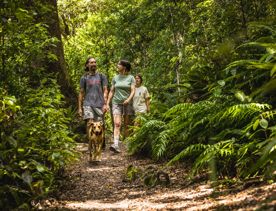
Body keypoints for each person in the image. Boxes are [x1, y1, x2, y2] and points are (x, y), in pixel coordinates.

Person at [78, 57, 108, 146]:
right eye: (91, 62)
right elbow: (81, 92)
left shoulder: (102, 76)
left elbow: (105, 90)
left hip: (99, 104)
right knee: (89, 123)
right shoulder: (84, 78)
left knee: (99, 124)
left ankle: (100, 142)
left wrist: (105, 104)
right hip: (88, 104)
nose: (94, 64)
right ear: (87, 65)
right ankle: (91, 143)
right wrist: (79, 107)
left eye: (95, 62)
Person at [106, 60, 135, 153]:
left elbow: (133, 90)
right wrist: (107, 103)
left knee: (127, 125)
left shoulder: (131, 78)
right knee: (117, 124)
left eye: (119, 64)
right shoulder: (115, 78)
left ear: (124, 67)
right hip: (116, 102)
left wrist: (128, 99)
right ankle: (115, 145)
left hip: (128, 103)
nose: (117, 65)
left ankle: (127, 145)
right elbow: (111, 91)